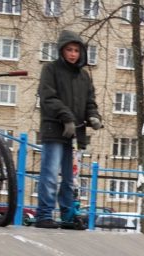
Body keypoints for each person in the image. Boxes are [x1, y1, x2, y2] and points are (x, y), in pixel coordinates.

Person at [36, 30, 101, 229]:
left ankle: (67, 215)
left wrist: (94, 116)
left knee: (70, 177)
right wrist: (66, 116)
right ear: (61, 51)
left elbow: (90, 101)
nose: (73, 54)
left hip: (74, 133)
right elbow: (48, 97)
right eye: (69, 50)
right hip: (54, 129)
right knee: (50, 173)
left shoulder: (83, 76)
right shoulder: (51, 70)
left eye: (76, 50)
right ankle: (44, 214)